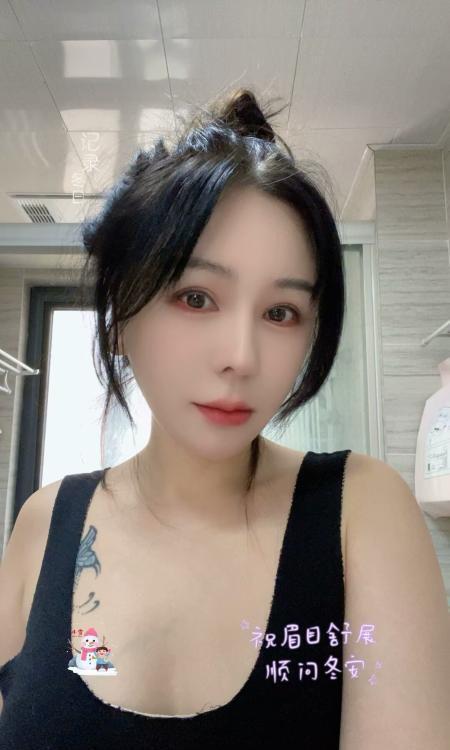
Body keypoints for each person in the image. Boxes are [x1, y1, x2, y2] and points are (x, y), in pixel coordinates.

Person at [0, 87, 449, 750]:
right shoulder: (43, 525)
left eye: (280, 313)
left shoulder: (361, 512)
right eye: (196, 297)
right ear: (120, 315)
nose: (242, 357)